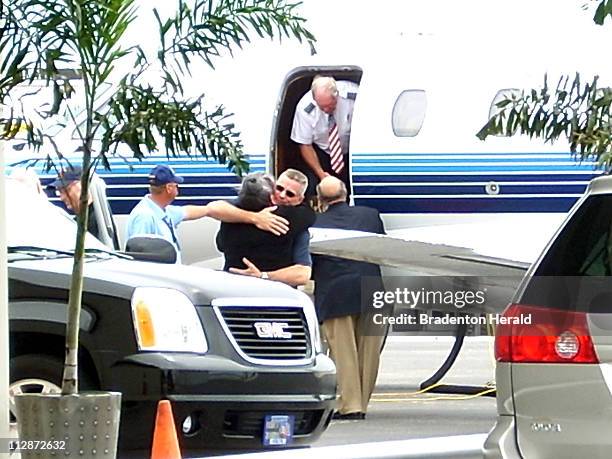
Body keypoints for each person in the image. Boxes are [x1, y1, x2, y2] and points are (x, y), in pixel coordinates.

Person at [311, 176, 386, 420]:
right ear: (346, 194)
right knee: (369, 352)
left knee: (344, 352)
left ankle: (349, 405)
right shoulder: (370, 215)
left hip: (336, 292)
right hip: (372, 289)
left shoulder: (315, 222)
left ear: (321, 200)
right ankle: (362, 403)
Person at [220, 168, 314, 286]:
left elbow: (303, 274)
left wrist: (263, 275)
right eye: (279, 188)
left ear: (300, 200)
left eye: (290, 194)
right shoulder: (235, 211)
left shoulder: (298, 224)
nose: (282, 195)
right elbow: (215, 208)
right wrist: (254, 217)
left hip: (273, 293)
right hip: (232, 287)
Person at [291, 75, 358, 197]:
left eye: (330, 105)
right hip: (322, 152)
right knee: (313, 188)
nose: (326, 110)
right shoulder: (305, 108)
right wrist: (321, 173)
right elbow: (304, 144)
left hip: (352, 150)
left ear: (336, 95)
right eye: (322, 107)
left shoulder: (354, 95)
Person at [47, 166, 105, 242]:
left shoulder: (94, 221)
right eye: (59, 192)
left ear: (83, 186)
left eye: (66, 190)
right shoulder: (83, 219)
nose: (62, 197)